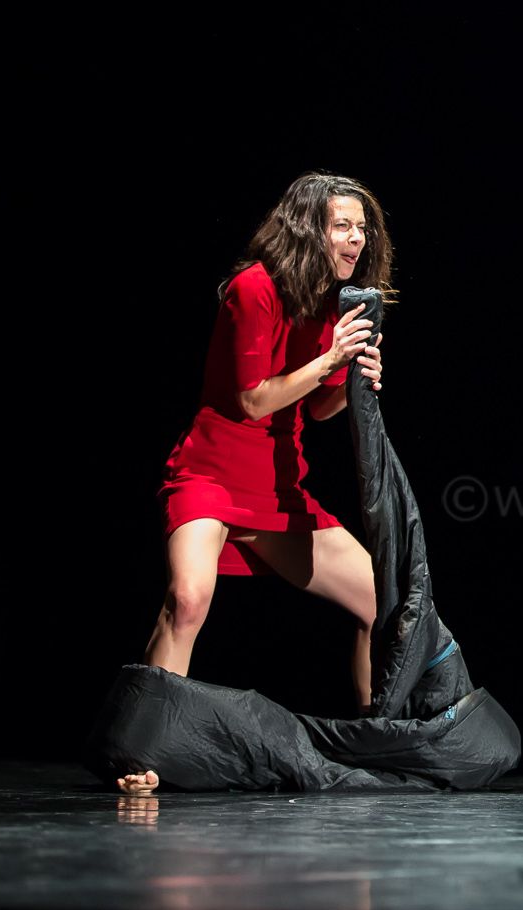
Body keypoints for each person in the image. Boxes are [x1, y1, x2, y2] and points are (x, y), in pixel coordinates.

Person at [124, 173, 395, 794]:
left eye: (362, 228)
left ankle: (377, 739)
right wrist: (330, 358)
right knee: (188, 599)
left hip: (278, 487)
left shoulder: (338, 304)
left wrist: (356, 375)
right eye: (342, 226)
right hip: (211, 475)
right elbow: (252, 400)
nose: (357, 239)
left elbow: (319, 409)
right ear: (308, 228)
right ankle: (140, 754)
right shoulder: (254, 288)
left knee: (380, 602)